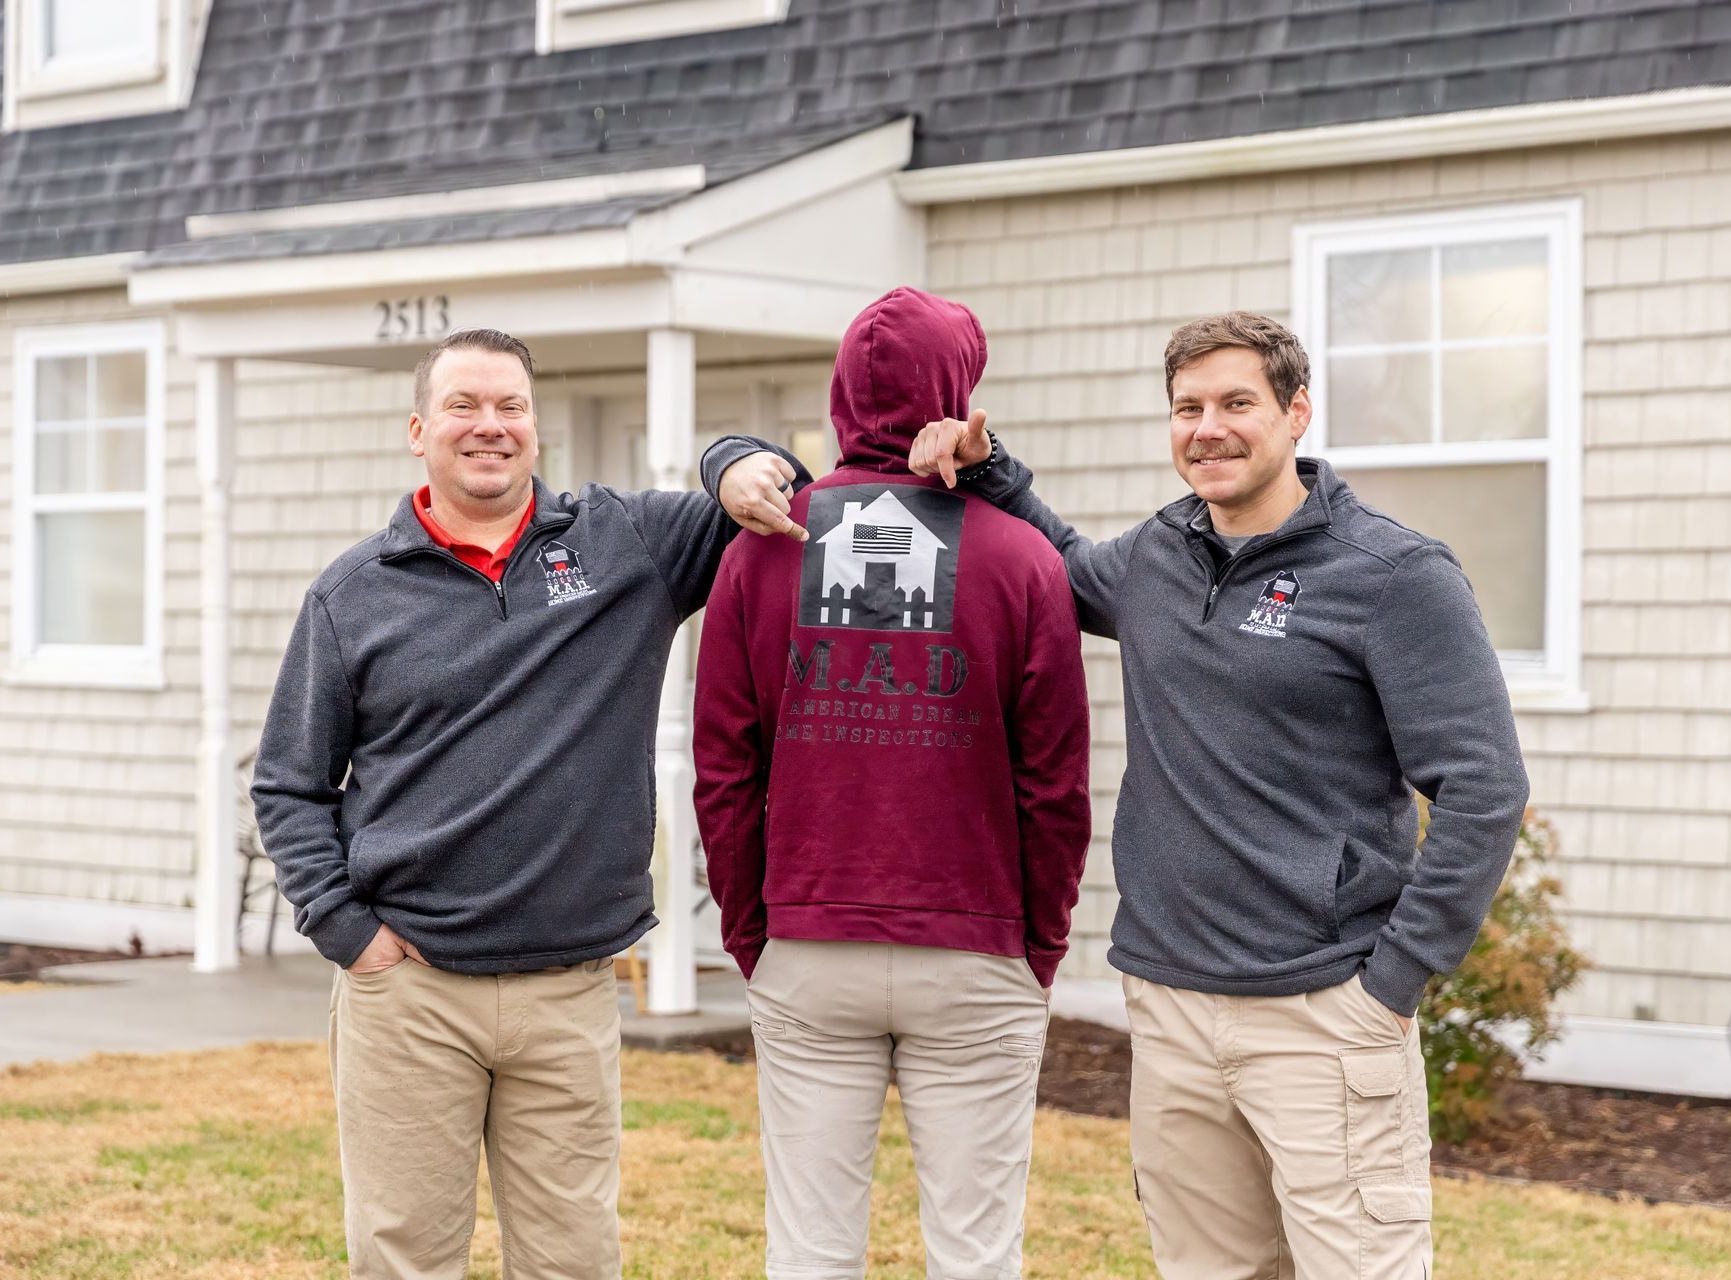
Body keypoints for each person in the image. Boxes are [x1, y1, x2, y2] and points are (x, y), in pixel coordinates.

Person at [910, 311, 1530, 1279]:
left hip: (1324, 1009)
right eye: (1187, 408)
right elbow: (1062, 566)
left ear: (1297, 411)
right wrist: (991, 474)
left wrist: (1393, 983)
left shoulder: (1394, 575)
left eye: (1237, 403)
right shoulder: (1159, 554)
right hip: (1170, 1003)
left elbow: (1485, 787)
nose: (1208, 429)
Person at [251, 326, 808, 1280]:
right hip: (410, 993)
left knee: (573, 1261)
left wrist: (730, 461)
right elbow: (289, 783)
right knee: (403, 1260)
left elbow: (771, 489)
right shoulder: (352, 596)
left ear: (535, 427)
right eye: (463, 406)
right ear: (418, 431)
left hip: (569, 988)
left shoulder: (622, 544)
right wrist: (347, 931)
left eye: (511, 406)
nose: (490, 426)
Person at [692, 287, 1091, 1280]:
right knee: (975, 1253)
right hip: (976, 944)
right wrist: (1039, 941)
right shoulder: (1024, 557)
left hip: (808, 938)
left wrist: (753, 928)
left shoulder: (762, 548)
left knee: (811, 1251)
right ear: (958, 388)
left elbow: (725, 768)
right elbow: (1055, 781)